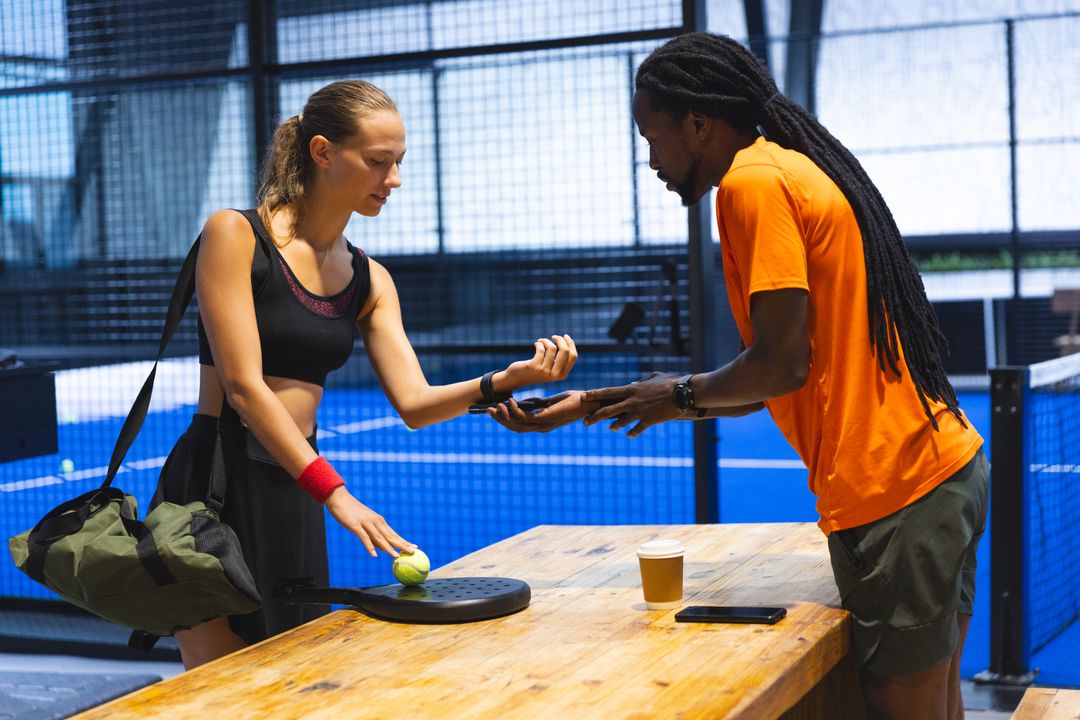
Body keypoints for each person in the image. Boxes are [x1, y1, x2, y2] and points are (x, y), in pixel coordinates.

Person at [489, 33, 987, 720]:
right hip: (937, 471)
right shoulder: (784, 167)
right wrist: (596, 402)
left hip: (895, 494)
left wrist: (680, 393)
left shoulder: (750, 185)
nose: (652, 160)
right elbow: (773, 381)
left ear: (699, 123)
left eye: (654, 136)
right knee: (936, 706)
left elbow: (780, 364)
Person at [153, 80, 577, 670]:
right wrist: (336, 493)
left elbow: (415, 403)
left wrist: (506, 380)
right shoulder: (236, 234)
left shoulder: (369, 278)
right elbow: (246, 388)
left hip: (295, 481)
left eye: (398, 162)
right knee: (218, 683)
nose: (394, 179)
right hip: (219, 481)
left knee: (292, 672)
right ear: (323, 151)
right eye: (378, 162)